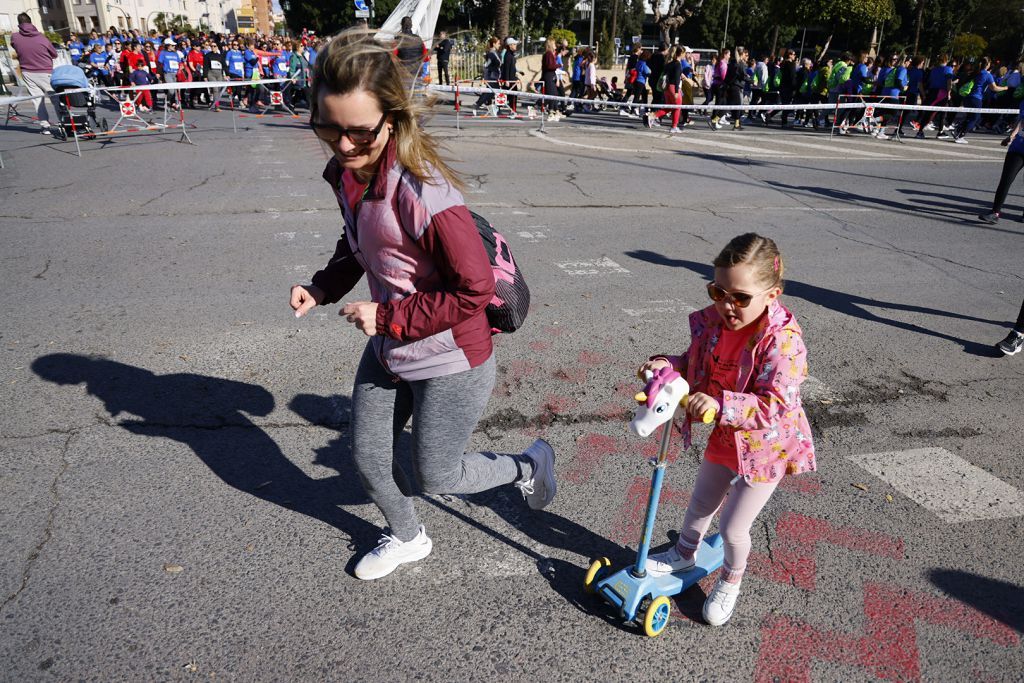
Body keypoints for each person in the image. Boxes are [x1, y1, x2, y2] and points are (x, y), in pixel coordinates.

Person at [290, 28, 557, 581]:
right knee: (367, 457)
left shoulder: (423, 191)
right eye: (328, 128)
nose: (343, 146)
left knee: (437, 474)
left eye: (359, 133)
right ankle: (408, 537)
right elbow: (360, 241)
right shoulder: (348, 175)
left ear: (392, 119)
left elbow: (474, 289)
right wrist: (322, 287)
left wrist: (386, 316)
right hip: (390, 347)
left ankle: (526, 464)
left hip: (452, 358)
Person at [637, 233, 816, 626]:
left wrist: (721, 404)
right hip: (724, 434)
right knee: (701, 503)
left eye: (740, 297)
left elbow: (777, 405)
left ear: (772, 295)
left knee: (734, 528)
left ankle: (731, 578)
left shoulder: (782, 342)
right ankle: (684, 553)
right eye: (718, 291)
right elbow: (696, 360)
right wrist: (670, 366)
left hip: (767, 446)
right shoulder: (715, 323)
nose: (727, 305)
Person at [9, 12, 57, 134]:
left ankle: (45, 126)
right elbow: (54, 54)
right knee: (56, 98)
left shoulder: (15, 37)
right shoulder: (42, 38)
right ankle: (65, 122)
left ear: (19, 24)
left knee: (37, 100)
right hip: (45, 71)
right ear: (31, 22)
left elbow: (15, 45)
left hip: (27, 71)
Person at [978, 101, 1024, 225]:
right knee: (1005, 181)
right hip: (1017, 149)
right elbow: (1021, 121)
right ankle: (995, 213)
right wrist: (1012, 136)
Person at [646, 45, 685, 133]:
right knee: (677, 107)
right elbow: (676, 79)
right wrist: (676, 91)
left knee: (669, 107)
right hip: (673, 88)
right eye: (684, 53)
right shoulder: (678, 64)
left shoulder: (669, 63)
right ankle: (674, 126)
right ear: (681, 54)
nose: (685, 56)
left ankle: (653, 115)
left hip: (666, 88)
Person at [394, 15, 427, 82]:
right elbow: (425, 57)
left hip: (403, 73)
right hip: (417, 73)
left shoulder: (398, 40)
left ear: (401, 25)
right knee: (417, 91)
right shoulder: (418, 39)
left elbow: (393, 58)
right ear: (411, 25)